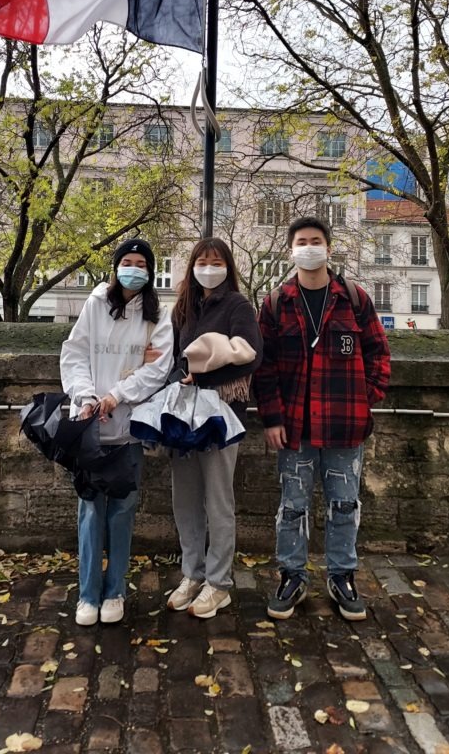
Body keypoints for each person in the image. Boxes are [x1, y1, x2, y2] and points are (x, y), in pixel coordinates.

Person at [254, 216, 391, 622]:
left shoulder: (354, 298)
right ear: (290, 249)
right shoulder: (277, 302)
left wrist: (367, 400)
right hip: (294, 428)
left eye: (316, 240)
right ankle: (292, 576)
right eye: (301, 241)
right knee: (293, 507)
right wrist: (273, 419)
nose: (308, 247)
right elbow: (265, 367)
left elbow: (379, 354)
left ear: (328, 249)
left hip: (344, 427)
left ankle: (341, 575)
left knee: (344, 505)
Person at [60, 239, 173, 626]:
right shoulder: (95, 303)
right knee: (90, 511)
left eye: (142, 263)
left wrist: (117, 395)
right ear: (116, 266)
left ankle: (116, 589)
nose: (134, 268)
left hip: (128, 426)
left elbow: (157, 370)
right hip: (90, 426)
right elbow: (75, 353)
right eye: (127, 261)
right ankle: (87, 594)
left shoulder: (158, 317)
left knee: (122, 511)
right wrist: (87, 395)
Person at [167, 237, 263, 619]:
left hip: (222, 414)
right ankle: (193, 574)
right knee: (185, 499)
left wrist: (205, 373)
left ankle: (219, 583)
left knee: (218, 501)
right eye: (202, 261)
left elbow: (251, 355)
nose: (208, 267)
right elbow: (174, 358)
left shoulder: (237, 305)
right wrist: (181, 374)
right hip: (183, 413)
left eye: (216, 261)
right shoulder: (183, 309)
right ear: (192, 266)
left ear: (227, 266)